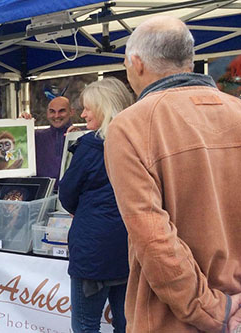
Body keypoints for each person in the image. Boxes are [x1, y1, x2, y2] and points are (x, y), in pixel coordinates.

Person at [104, 16, 241, 332]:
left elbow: (154, 241)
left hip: (177, 319)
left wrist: (213, 311)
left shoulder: (130, 126)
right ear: (188, 61)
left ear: (136, 64)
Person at [58, 77, 134, 333]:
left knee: (85, 325)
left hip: (93, 252)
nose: (82, 113)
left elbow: (67, 194)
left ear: (104, 108)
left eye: (88, 108)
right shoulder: (138, 142)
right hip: (130, 246)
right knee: (127, 323)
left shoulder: (89, 147)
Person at [22, 96, 74, 187]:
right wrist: (21, 126)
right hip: (42, 196)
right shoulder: (36, 137)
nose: (56, 116)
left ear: (71, 112)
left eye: (62, 111)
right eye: (52, 111)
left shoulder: (81, 137)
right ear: (47, 114)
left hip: (73, 195)